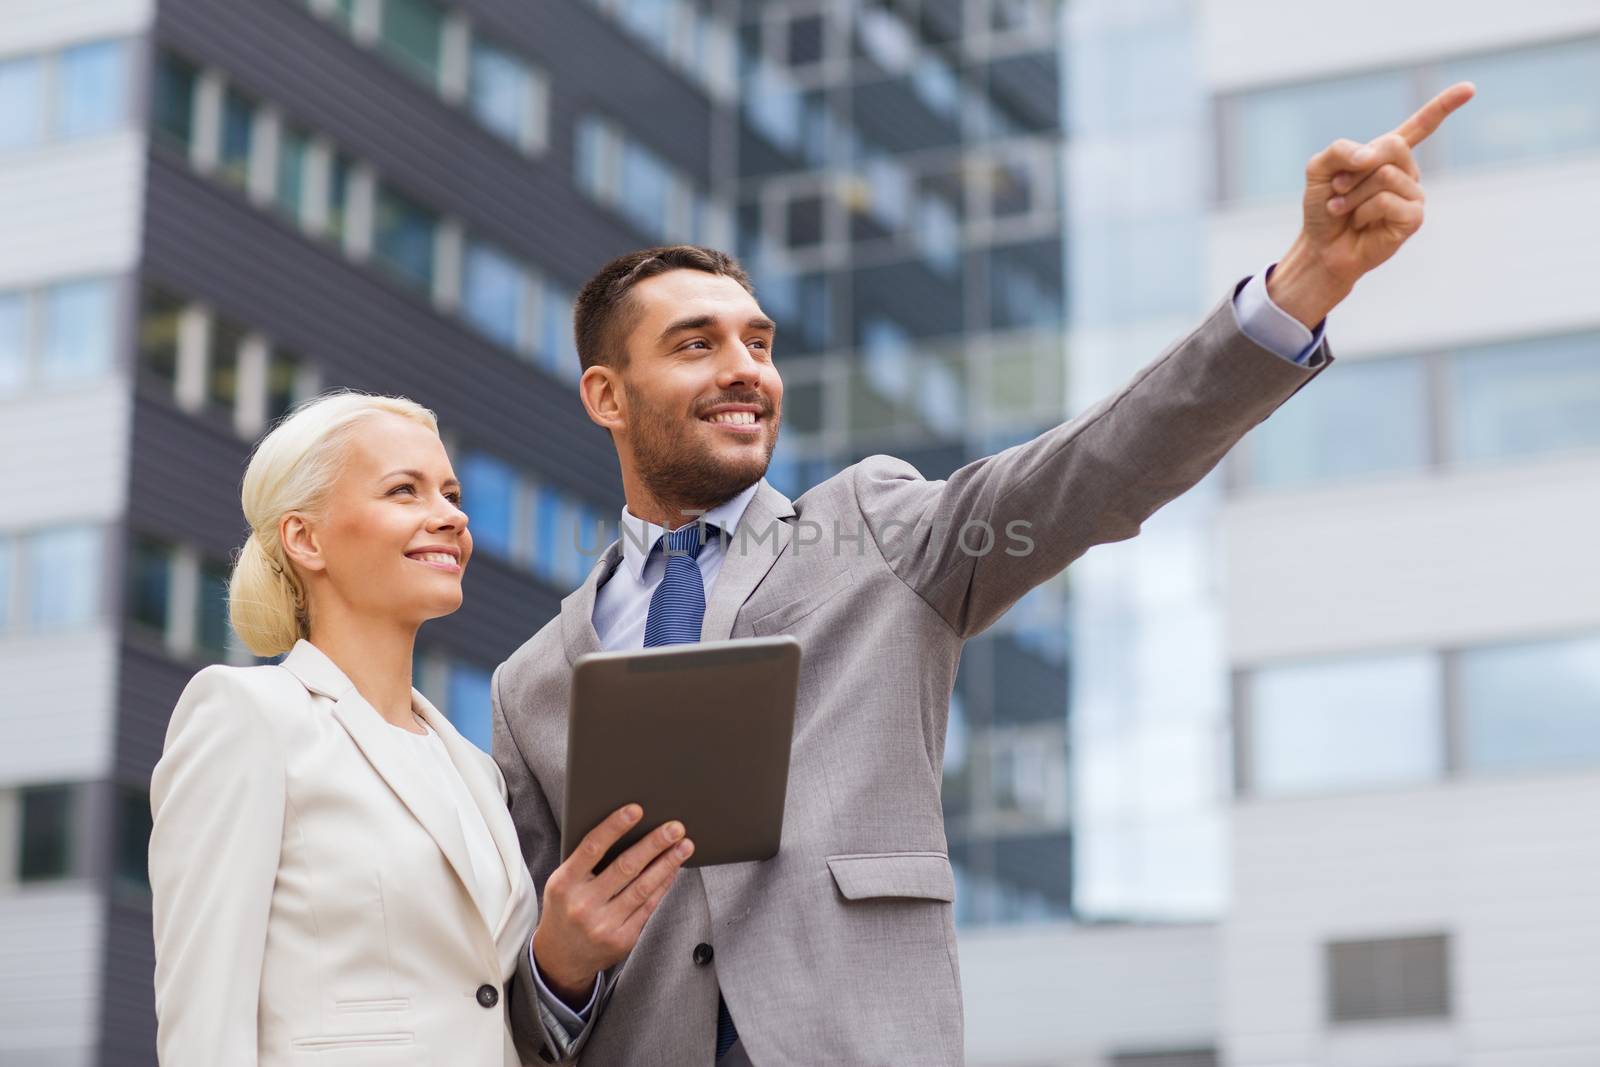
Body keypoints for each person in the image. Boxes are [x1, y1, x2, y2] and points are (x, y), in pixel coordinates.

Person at [493, 85, 1477, 1066]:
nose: (745, 367)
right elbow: (516, 1012)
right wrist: (560, 961)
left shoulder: (876, 529)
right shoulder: (533, 681)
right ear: (605, 395)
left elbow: (1094, 470)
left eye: (758, 341)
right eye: (695, 344)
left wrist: (1304, 278)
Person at [147, 392, 688, 1065]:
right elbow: (203, 1022)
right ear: (305, 537)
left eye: (452, 493)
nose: (451, 516)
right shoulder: (248, 716)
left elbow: (487, 1003)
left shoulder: (474, 768)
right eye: (404, 490)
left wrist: (564, 956)